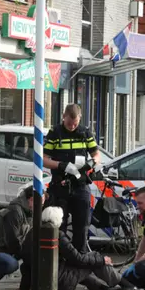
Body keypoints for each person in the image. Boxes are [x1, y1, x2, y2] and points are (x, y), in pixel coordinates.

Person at [43, 103, 101, 252]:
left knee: (82, 227)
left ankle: (79, 258)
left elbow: (96, 155)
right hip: (60, 186)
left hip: (80, 185)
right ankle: (58, 258)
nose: (72, 126)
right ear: (64, 117)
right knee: (58, 226)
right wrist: (60, 165)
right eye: (69, 123)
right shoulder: (55, 133)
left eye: (75, 124)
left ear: (79, 119)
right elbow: (43, 159)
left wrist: (91, 164)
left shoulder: (85, 133)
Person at [0, 186, 38, 290]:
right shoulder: (15, 211)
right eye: (40, 202)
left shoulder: (30, 213)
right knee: (11, 264)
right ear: (31, 200)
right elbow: (12, 240)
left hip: (7, 250)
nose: (41, 206)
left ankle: (25, 287)